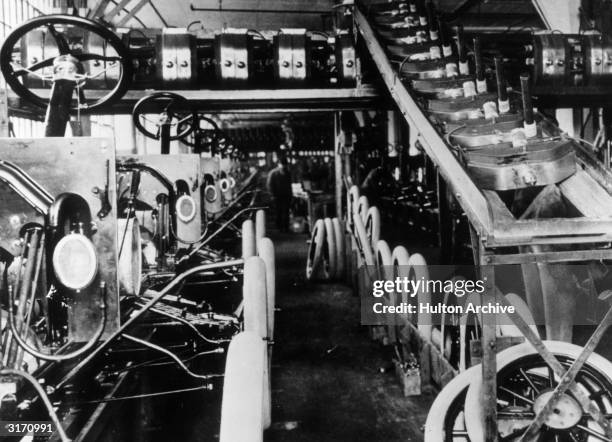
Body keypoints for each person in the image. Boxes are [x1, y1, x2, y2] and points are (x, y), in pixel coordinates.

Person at [267, 155, 293, 232]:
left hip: (286, 195)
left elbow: (289, 184)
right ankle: (279, 227)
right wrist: (272, 195)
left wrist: (291, 194)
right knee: (278, 212)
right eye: (282, 164)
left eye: (285, 165)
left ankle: (286, 227)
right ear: (278, 164)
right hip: (277, 196)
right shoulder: (273, 173)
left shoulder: (288, 173)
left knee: (286, 211)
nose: (283, 166)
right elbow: (269, 185)